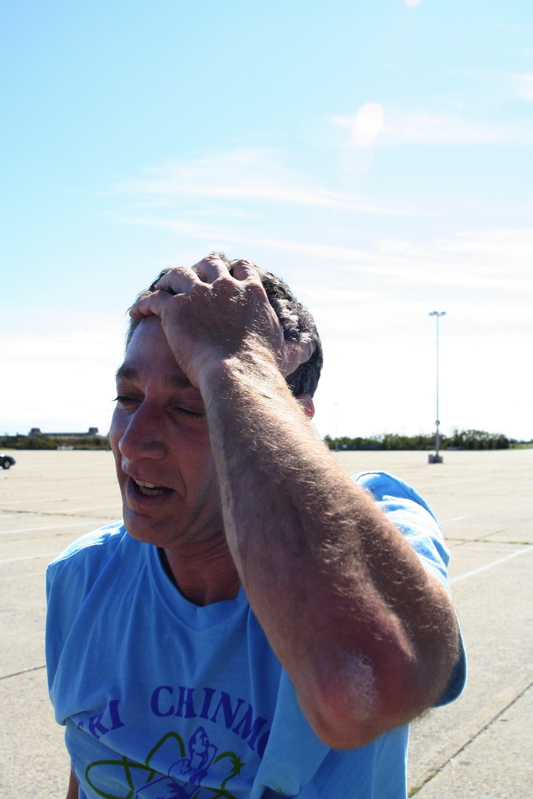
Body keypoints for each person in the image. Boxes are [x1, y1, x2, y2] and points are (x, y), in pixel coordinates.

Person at [46, 253, 465, 799]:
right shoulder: (84, 578)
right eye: (127, 399)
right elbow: (91, 760)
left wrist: (231, 364)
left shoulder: (377, 525)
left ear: (290, 419)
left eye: (190, 406)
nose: (132, 441)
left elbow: (362, 689)